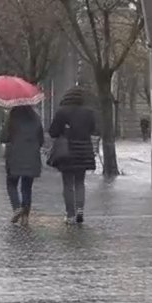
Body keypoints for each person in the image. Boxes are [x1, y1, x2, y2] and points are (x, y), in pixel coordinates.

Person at [48, 87, 98, 225]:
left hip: (67, 151)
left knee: (68, 183)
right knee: (80, 182)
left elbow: (53, 132)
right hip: (84, 151)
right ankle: (80, 209)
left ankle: (70, 215)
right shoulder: (89, 112)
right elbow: (94, 130)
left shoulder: (62, 112)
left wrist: (64, 131)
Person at [2, 105, 44, 225]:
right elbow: (41, 140)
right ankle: (25, 217)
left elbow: (3, 137)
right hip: (32, 157)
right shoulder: (36, 119)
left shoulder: (11, 118)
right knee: (26, 187)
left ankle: (17, 208)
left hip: (14, 156)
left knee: (11, 184)